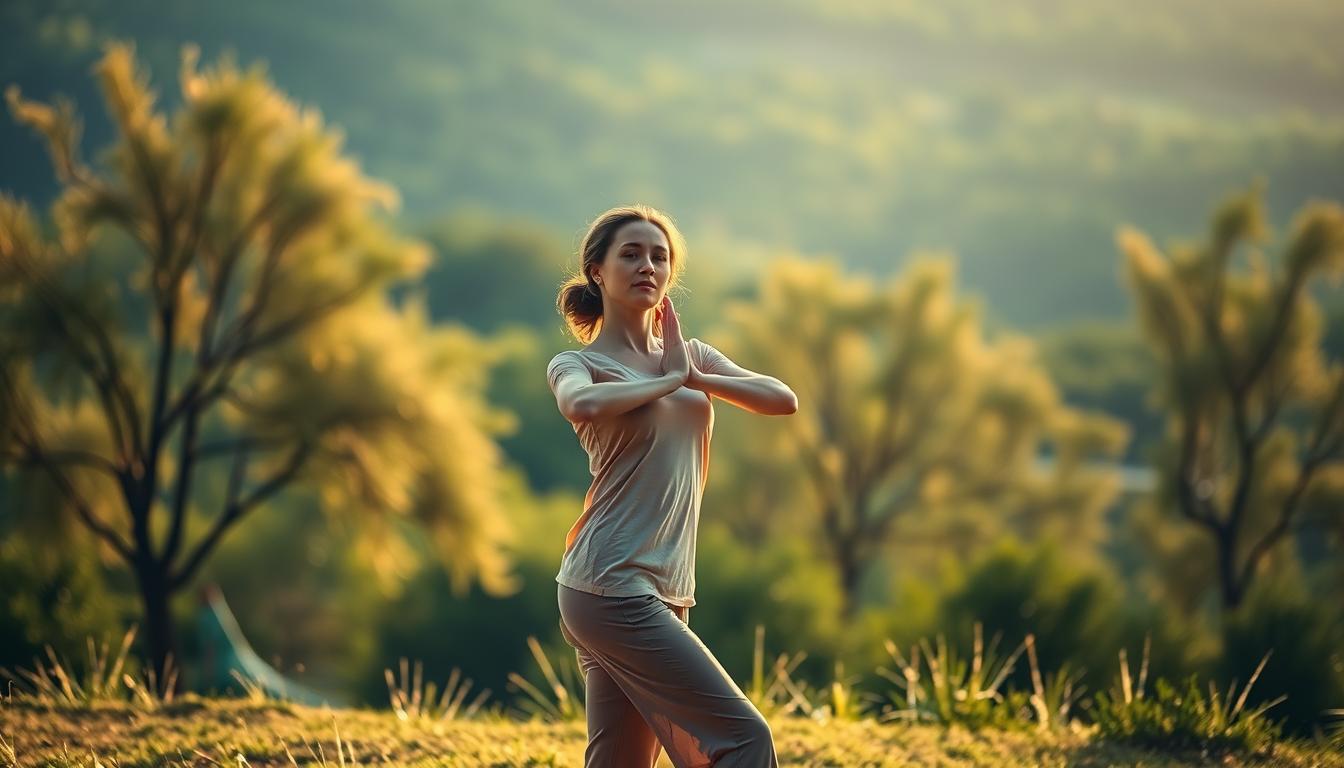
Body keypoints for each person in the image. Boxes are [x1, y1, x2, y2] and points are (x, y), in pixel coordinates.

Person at [547, 204, 797, 767]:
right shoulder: (578, 364)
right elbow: (580, 404)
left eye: (659, 257)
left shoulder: (690, 358)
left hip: (665, 586)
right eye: (631, 254)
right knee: (744, 738)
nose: (648, 266)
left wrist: (693, 376)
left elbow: (782, 399)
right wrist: (665, 383)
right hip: (610, 581)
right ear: (597, 271)